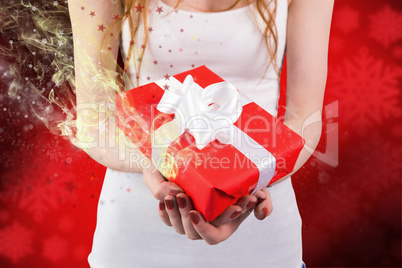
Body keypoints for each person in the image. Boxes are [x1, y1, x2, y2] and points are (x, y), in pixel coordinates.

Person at [68, 0, 334, 267]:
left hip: (261, 231)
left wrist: (243, 185)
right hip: (136, 235)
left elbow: (305, 121)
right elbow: (93, 123)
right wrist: (157, 165)